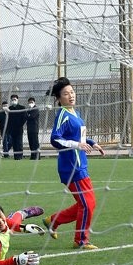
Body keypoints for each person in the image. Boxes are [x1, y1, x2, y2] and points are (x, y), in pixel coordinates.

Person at [44, 77, 105, 250]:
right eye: (65, 93)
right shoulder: (63, 114)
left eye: (72, 92)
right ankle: (80, 240)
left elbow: (80, 137)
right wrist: (77, 145)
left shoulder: (75, 113)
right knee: (87, 205)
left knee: (87, 204)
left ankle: (53, 221)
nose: (70, 95)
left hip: (81, 165)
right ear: (59, 98)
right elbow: (55, 139)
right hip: (71, 167)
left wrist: (92, 143)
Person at [7, 94, 27, 160]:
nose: (13, 101)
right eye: (12, 100)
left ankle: (20, 156)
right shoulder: (10, 108)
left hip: (19, 128)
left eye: (15, 99)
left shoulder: (22, 107)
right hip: (12, 129)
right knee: (14, 143)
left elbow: (24, 118)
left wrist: (20, 124)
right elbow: (8, 119)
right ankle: (16, 156)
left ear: (17, 100)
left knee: (19, 143)